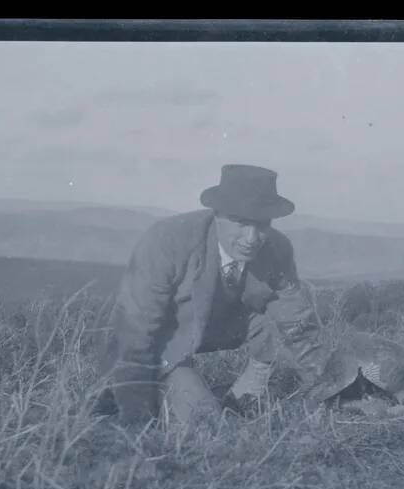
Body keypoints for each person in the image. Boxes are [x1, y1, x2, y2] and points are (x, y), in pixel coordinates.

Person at [98, 164, 327, 427]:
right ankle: (122, 396)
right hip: (163, 341)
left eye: (262, 224)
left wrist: (325, 387)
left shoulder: (277, 248)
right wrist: (137, 415)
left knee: (274, 326)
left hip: (220, 328)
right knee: (205, 423)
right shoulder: (167, 241)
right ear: (217, 215)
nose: (251, 238)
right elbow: (135, 332)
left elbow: (298, 323)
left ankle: (244, 396)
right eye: (241, 223)